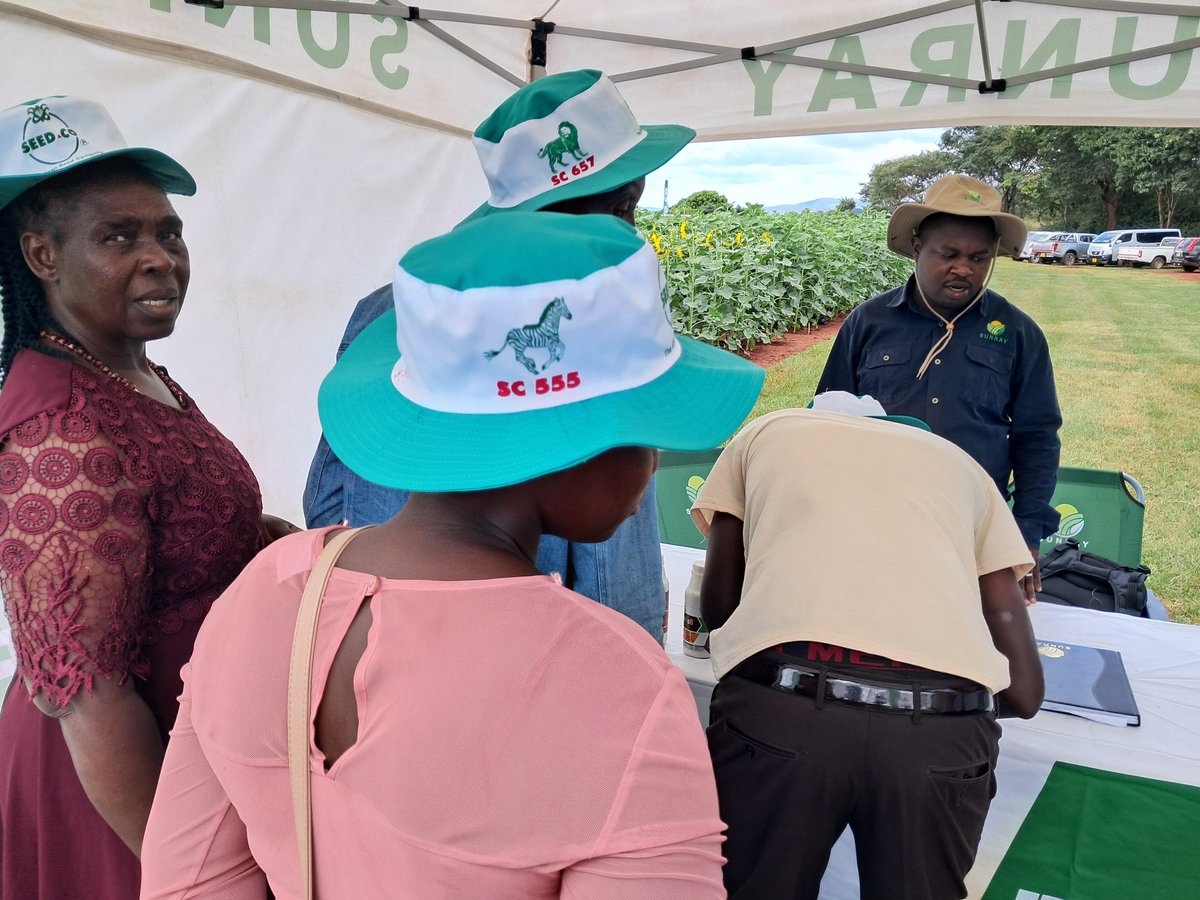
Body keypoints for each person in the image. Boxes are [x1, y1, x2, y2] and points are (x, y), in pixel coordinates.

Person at [140, 212, 765, 897]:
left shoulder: (267, 588)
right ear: (566, 444)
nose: (653, 461)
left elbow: (187, 879)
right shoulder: (624, 686)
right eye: (643, 424)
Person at [0, 95, 294, 899]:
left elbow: (159, 534)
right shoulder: (59, 426)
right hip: (120, 787)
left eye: (168, 233)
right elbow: (88, 696)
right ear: (41, 256)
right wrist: (191, 874)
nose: (160, 257)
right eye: (119, 237)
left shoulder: (126, 369)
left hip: (187, 751)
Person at [304, 69, 696, 641]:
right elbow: (612, 577)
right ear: (567, 214)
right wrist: (632, 652)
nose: (631, 232)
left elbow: (330, 498)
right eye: (622, 210)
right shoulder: (595, 324)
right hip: (522, 649)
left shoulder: (391, 307)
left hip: (391, 632)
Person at [689, 392, 1044, 900]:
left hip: (782, 712)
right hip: (940, 735)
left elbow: (721, 608)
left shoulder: (767, 434)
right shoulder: (961, 467)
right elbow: (1026, 693)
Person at [815, 174, 1062, 601]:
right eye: (948, 254)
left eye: (979, 258)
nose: (964, 269)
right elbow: (827, 419)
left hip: (974, 528)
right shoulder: (868, 323)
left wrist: (1025, 533)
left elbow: (1037, 438)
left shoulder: (1019, 333)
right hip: (871, 518)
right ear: (916, 247)